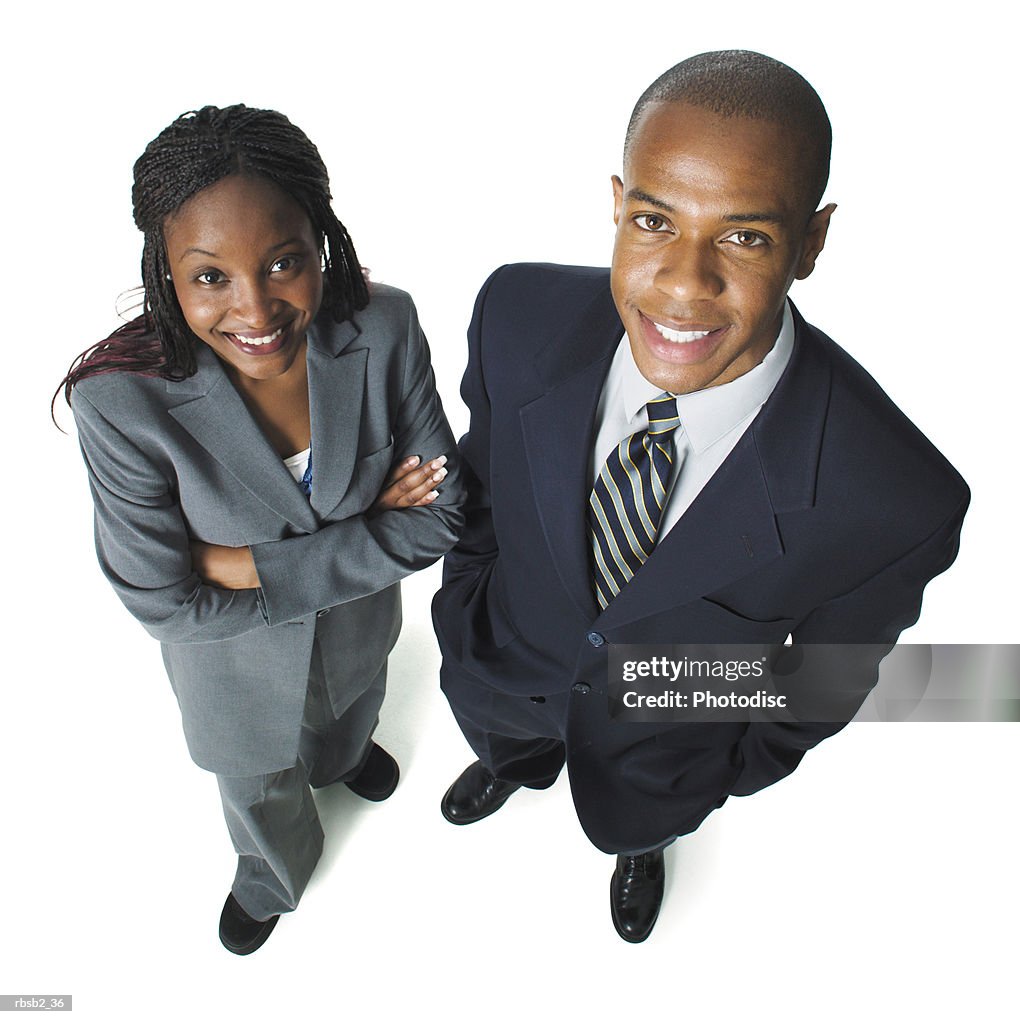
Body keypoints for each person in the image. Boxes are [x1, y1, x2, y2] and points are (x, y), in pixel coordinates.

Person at [431, 51, 969, 943]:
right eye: (654, 220)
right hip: (504, 667)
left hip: (662, 753)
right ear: (617, 204)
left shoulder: (896, 498)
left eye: (746, 237)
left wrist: (723, 767)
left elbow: (822, 680)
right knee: (513, 742)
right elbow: (481, 486)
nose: (683, 283)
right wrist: (468, 609)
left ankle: (640, 843)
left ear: (811, 243)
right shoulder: (514, 314)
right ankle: (515, 763)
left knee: (635, 815)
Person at [58, 105, 464, 955]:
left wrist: (248, 566)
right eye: (209, 277)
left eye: (284, 262)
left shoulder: (383, 329)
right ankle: (270, 880)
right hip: (233, 674)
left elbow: (446, 517)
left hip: (360, 632)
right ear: (164, 271)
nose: (256, 308)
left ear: (322, 242)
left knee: (351, 716)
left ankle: (345, 761)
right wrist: (364, 533)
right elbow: (163, 603)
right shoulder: (121, 402)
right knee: (260, 790)